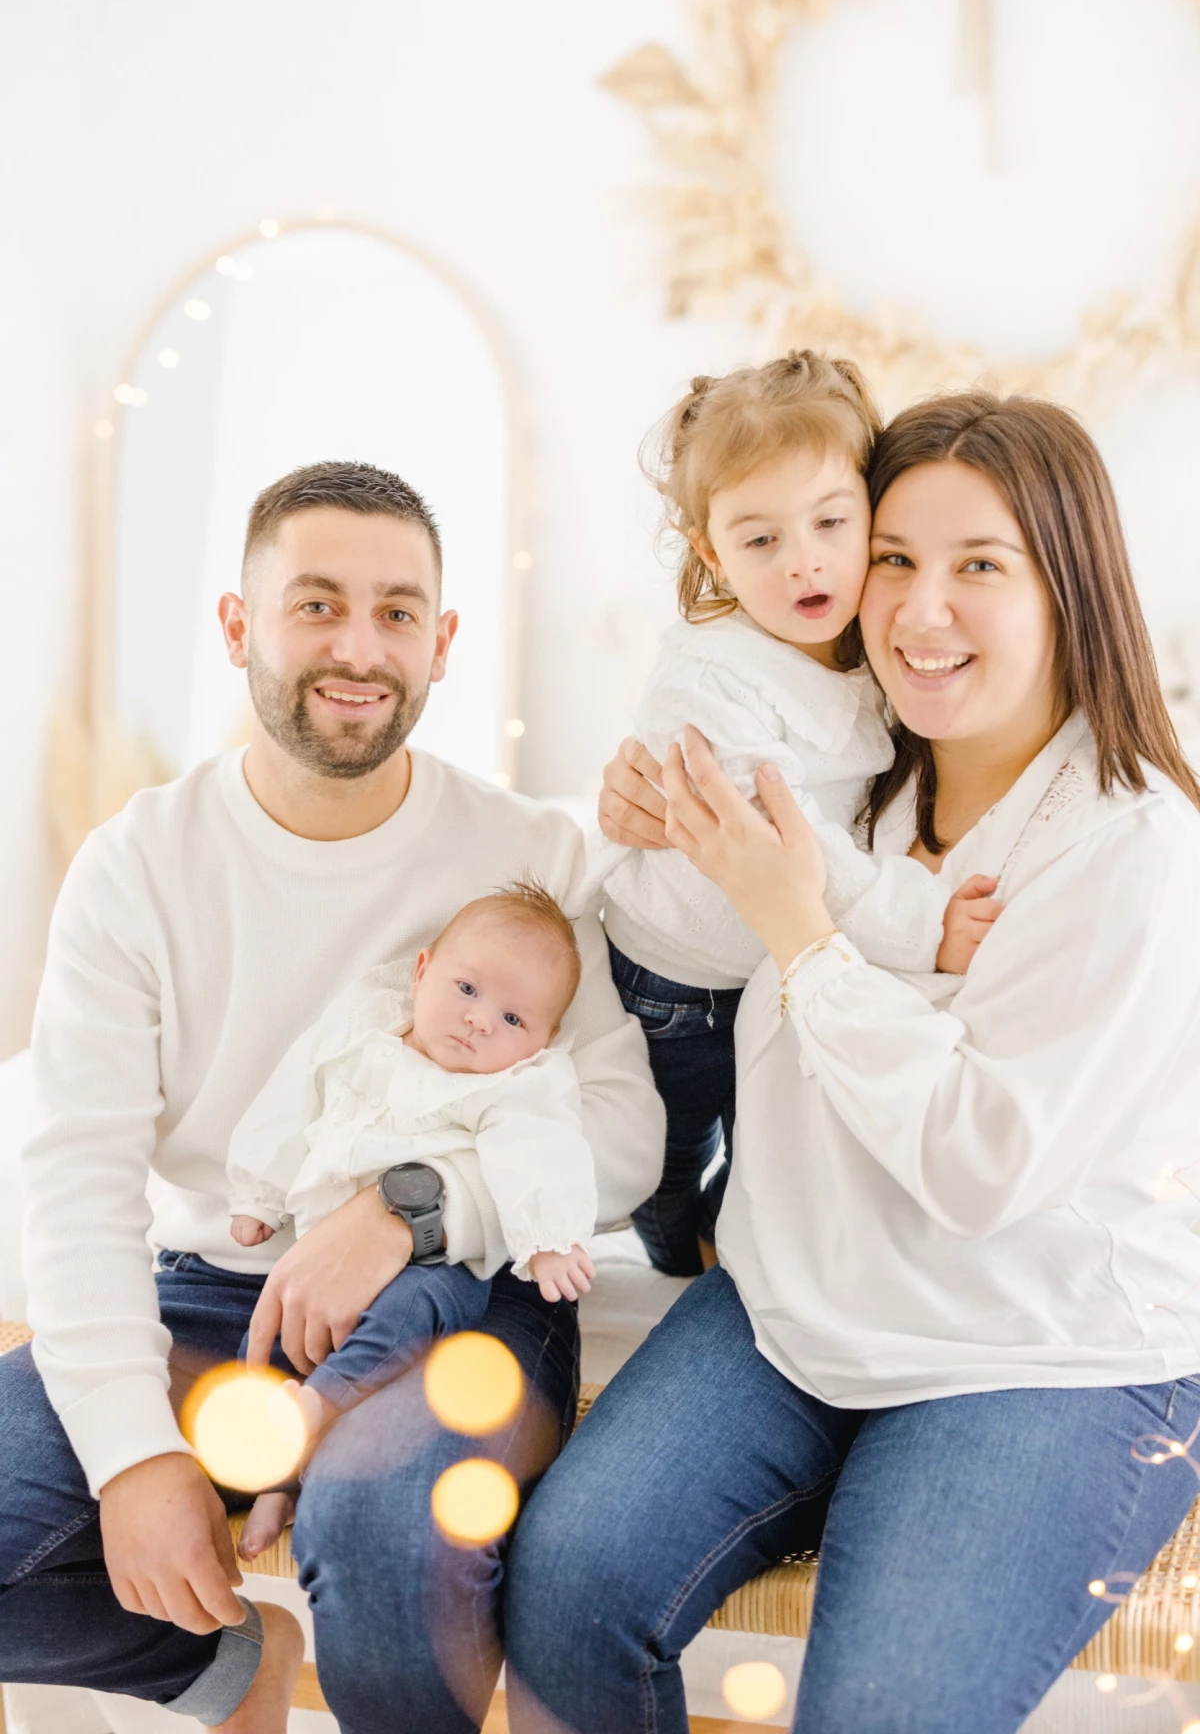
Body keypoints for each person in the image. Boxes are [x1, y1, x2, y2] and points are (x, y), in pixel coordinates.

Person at [504, 392, 1200, 1734]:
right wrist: (650, 827)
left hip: (1039, 1350)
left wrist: (801, 931)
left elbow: (982, 1162)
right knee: (565, 1587)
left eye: (979, 567)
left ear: (1071, 588)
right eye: (894, 559)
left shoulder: (1136, 848)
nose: (920, 609)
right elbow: (672, 952)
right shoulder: (843, 776)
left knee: (880, 1715)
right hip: (797, 1308)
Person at [0, 460, 663, 1734]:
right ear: (238, 626)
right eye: (316, 605)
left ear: (444, 642)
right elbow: (76, 1187)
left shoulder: (530, 858)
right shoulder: (137, 867)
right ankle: (227, 1671)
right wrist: (136, 1458)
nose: (360, 648)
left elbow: (623, 1141)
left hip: (466, 1305)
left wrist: (408, 1207)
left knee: (378, 1513)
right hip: (212, 1291)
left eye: (399, 612)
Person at [599, 351, 999, 1275]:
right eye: (760, 540)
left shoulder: (876, 642)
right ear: (712, 554)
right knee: (665, 1149)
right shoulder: (711, 675)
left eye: (829, 521)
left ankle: (746, 1252)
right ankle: (670, 1237)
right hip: (678, 980)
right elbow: (789, 847)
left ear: (871, 511)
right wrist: (924, 919)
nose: (804, 561)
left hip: (778, 963)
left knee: (771, 1146)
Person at [227, 881, 597, 1559]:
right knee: (278, 1326)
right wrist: (260, 1190)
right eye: (467, 989)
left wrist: (546, 1239)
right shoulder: (364, 1030)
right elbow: (294, 1095)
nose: (482, 1020)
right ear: (422, 971)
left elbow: (541, 1150)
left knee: (417, 1306)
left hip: (432, 1263)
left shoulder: (514, 1086)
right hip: (320, 1250)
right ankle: (276, 1479)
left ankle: (319, 1406)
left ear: (544, 1040)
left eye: (515, 1020)